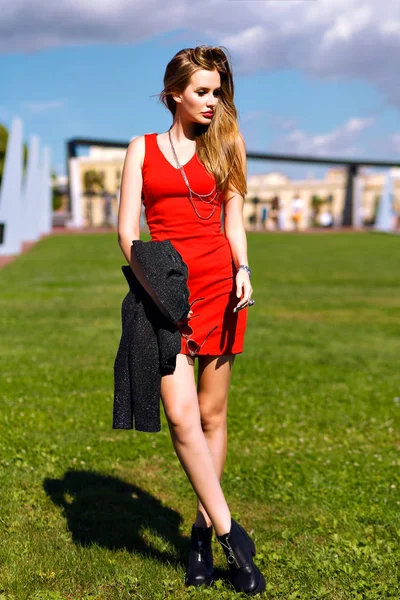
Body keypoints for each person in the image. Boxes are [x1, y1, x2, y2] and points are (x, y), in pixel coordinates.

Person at [117, 45, 265, 595]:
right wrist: (153, 283)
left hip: (220, 287)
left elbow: (234, 221)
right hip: (165, 293)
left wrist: (244, 268)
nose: (212, 101)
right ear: (174, 93)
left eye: (218, 91)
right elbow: (127, 232)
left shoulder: (228, 144)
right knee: (180, 417)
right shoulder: (141, 149)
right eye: (202, 91)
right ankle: (232, 536)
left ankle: (201, 534)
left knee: (210, 415)